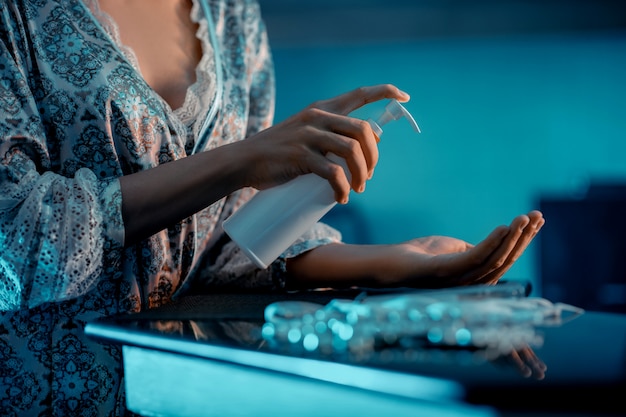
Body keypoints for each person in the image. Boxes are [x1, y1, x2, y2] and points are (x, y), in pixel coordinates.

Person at [0, 0, 544, 415]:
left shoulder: (230, 14)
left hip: (191, 396)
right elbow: (12, 241)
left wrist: (391, 263)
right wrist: (239, 160)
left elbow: (217, 243)